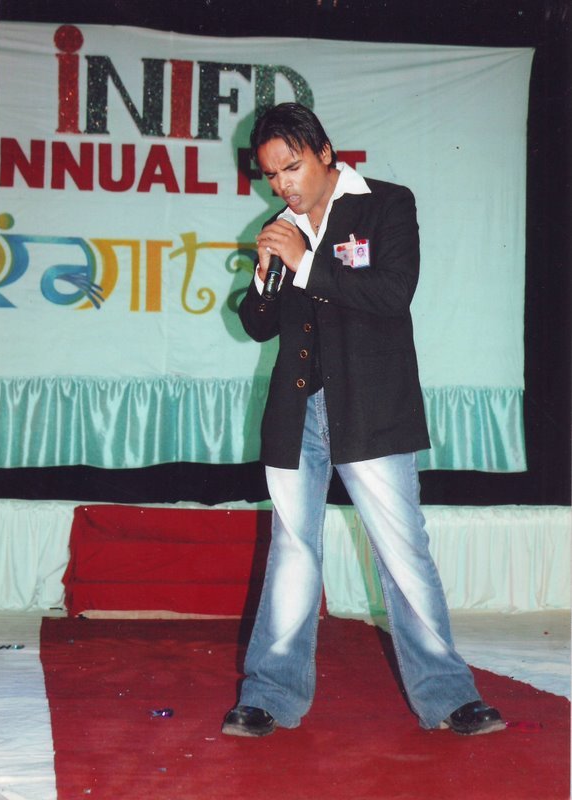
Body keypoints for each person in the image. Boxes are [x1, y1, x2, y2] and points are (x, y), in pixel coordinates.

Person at [222, 102, 504, 738]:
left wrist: (305, 262)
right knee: (293, 551)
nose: (282, 184)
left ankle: (448, 696)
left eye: (291, 166)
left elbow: (392, 293)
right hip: (297, 411)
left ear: (325, 152)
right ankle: (268, 696)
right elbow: (258, 326)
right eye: (271, 175)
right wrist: (266, 277)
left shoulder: (386, 204)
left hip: (372, 405)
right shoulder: (279, 228)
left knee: (402, 552)